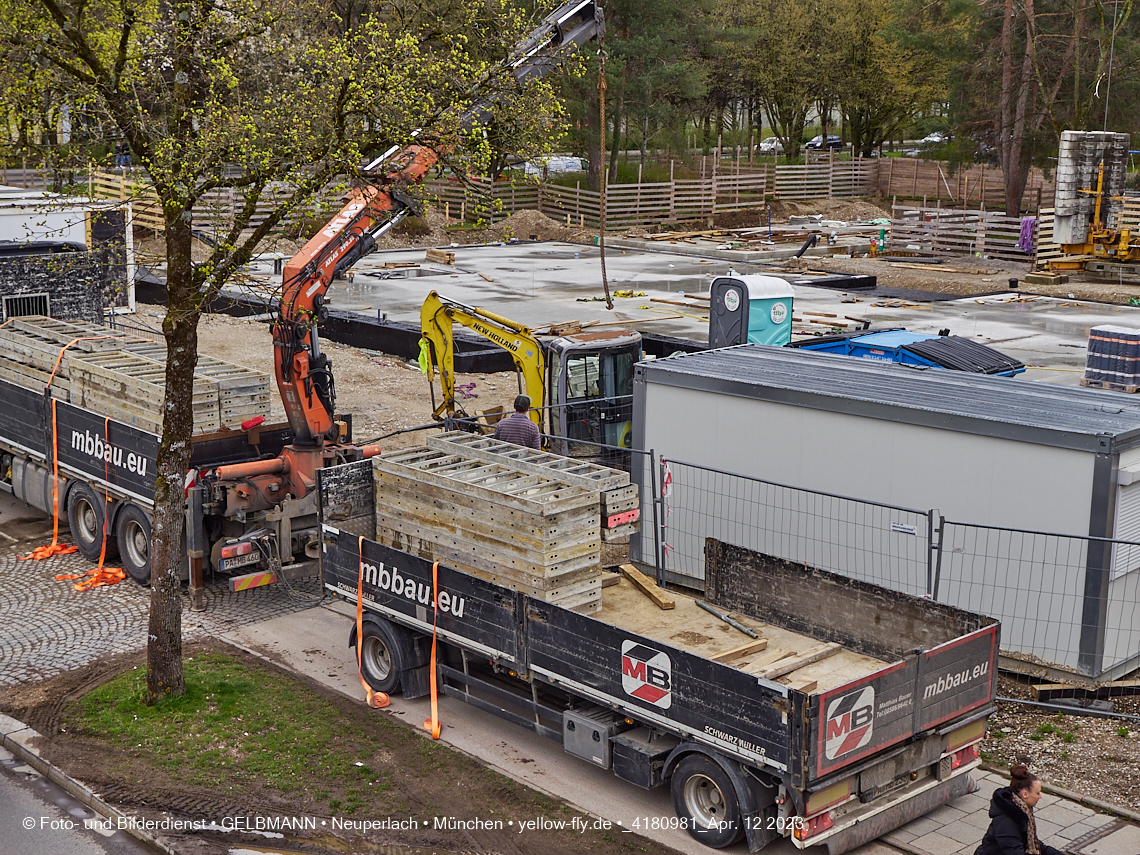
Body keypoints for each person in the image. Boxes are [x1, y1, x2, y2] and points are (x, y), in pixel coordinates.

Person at [974, 765, 1064, 855]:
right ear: (1025, 794)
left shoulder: (1022, 809)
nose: (1040, 797)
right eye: (1037, 793)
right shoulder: (1006, 823)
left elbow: (1033, 843)